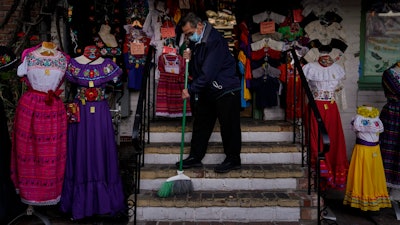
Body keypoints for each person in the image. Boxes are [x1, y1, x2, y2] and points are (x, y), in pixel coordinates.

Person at [60, 45, 126, 219]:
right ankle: (83, 203)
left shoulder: (107, 65)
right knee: (81, 149)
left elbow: (117, 81)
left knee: (100, 147)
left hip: (99, 112)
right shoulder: (74, 64)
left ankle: (102, 202)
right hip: (81, 112)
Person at [176, 12, 242, 173]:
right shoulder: (196, 42)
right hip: (208, 88)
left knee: (229, 125)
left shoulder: (214, 41)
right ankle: (195, 156)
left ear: (199, 26)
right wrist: (189, 58)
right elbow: (196, 71)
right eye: (186, 35)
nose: (189, 37)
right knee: (201, 123)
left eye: (190, 33)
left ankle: (233, 159)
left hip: (225, 88)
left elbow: (208, 72)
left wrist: (191, 90)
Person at [11, 42, 68, 205]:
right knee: (26, 151)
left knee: (52, 152)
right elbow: (20, 72)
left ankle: (48, 195)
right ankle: (27, 195)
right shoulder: (29, 56)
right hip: (30, 108)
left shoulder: (63, 59)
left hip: (52, 109)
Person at [302, 53, 349, 190]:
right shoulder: (310, 67)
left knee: (333, 139)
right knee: (317, 138)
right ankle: (319, 172)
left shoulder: (337, 68)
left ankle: (332, 176)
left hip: (332, 107)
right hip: (316, 106)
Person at [343, 105, 391, 211]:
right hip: (363, 150)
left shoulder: (376, 118)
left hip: (375, 150)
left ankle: (374, 200)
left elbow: (380, 129)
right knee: (363, 173)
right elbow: (357, 127)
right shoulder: (358, 118)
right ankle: (361, 201)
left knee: (375, 174)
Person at [380, 62, 400, 200]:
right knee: (390, 149)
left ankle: (396, 194)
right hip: (393, 114)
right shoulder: (389, 73)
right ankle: (383, 190)